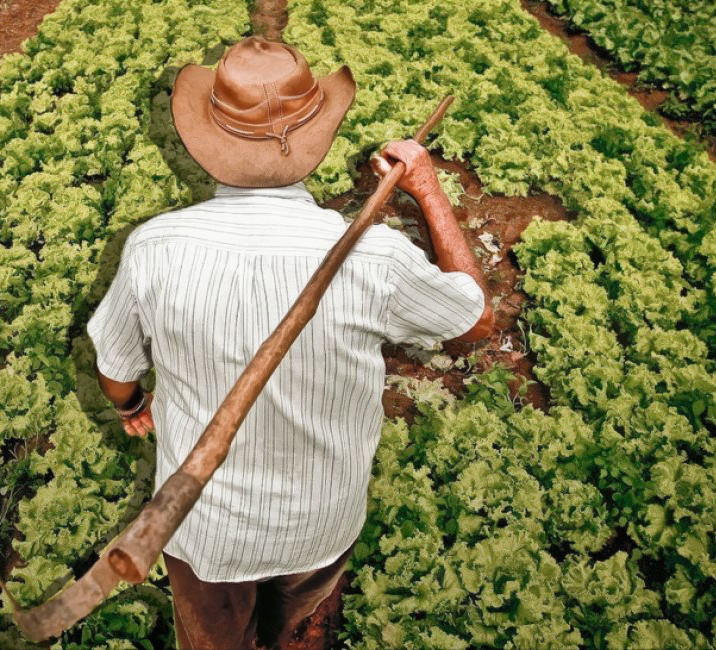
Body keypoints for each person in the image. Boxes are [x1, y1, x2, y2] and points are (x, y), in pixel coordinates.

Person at [86, 35, 494, 650]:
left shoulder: (153, 248)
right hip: (320, 522)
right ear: (318, 138)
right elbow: (474, 321)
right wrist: (429, 192)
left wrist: (130, 406)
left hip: (204, 534)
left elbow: (115, 368)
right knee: (304, 628)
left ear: (207, 144)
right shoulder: (375, 255)